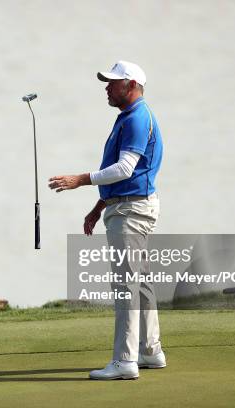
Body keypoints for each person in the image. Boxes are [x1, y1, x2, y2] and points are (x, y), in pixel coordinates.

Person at [48, 60, 166, 380]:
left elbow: (126, 169)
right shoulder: (128, 117)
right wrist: (99, 205)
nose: (107, 87)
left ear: (131, 85)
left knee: (126, 284)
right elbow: (125, 173)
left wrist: (81, 179)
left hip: (131, 211)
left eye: (113, 83)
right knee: (139, 282)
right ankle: (150, 351)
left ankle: (125, 361)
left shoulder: (138, 118)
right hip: (127, 205)